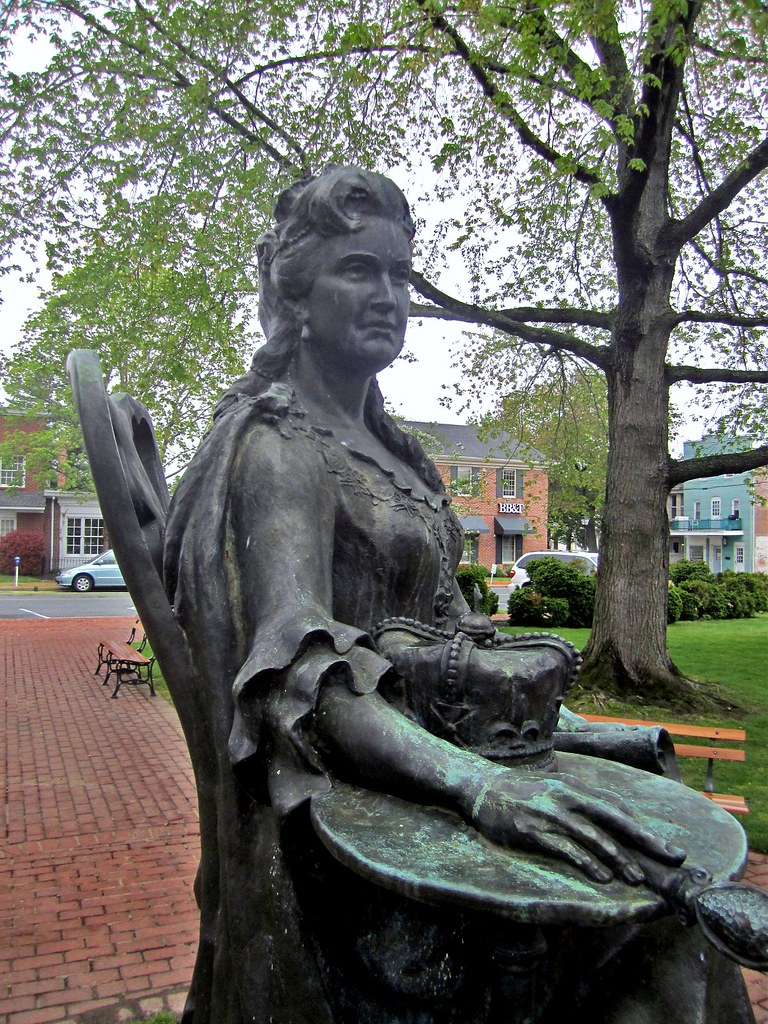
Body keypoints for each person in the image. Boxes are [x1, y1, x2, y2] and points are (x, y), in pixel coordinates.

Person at [163, 165, 756, 1023]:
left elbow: (452, 632)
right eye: (357, 270)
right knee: (660, 939)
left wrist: (565, 717)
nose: (388, 296)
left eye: (400, 276)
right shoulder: (280, 447)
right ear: (295, 293)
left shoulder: (397, 453)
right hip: (356, 838)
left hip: (435, 779)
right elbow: (306, 686)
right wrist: (482, 790)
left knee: (665, 900)